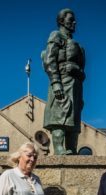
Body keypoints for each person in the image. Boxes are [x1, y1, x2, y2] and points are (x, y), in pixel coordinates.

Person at [42, 8, 85, 155]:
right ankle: (59, 148)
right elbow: (49, 60)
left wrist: (75, 69)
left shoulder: (79, 46)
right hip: (61, 82)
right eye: (70, 19)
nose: (74, 22)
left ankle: (72, 148)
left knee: (73, 118)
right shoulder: (56, 36)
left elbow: (82, 72)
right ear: (61, 21)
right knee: (59, 115)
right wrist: (55, 82)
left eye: (74, 20)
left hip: (76, 86)